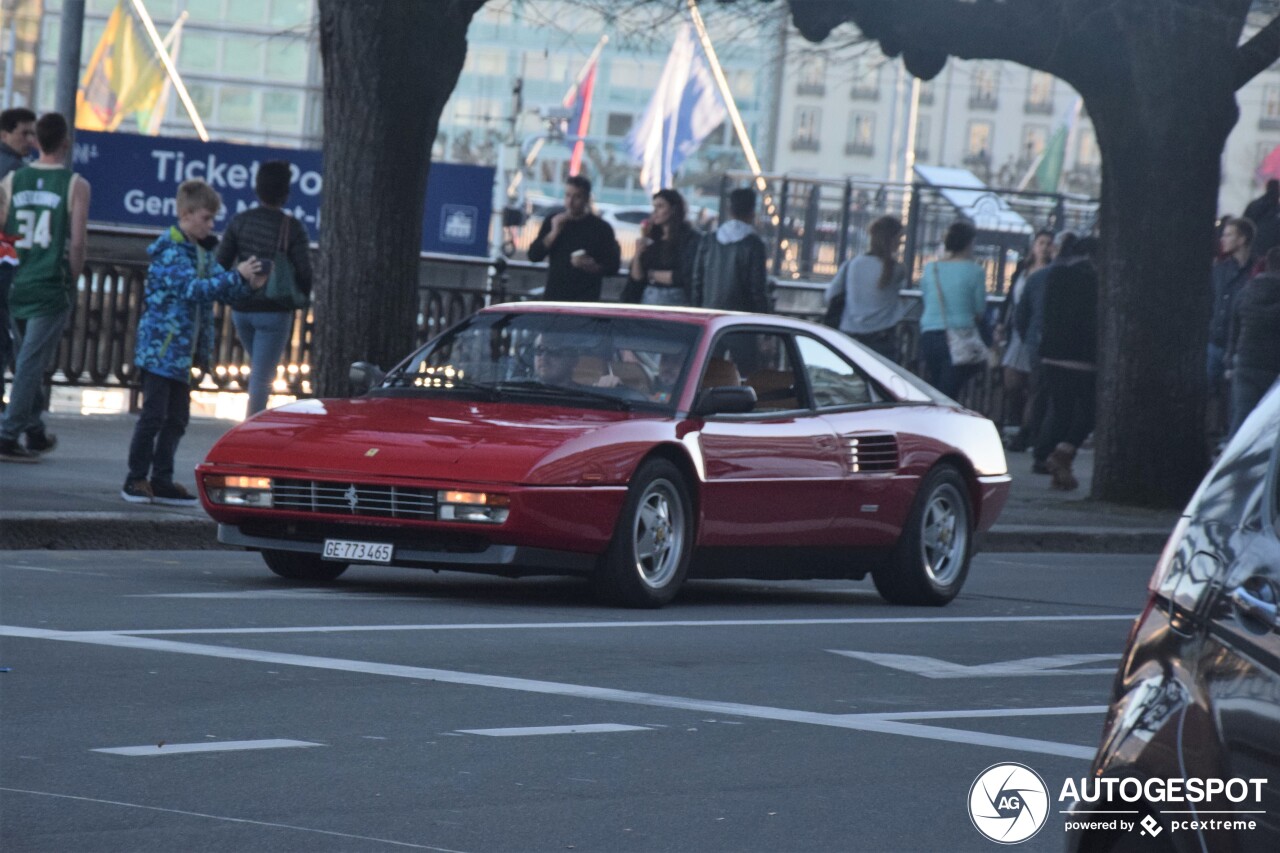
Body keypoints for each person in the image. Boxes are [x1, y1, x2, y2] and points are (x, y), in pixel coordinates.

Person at [122, 180, 266, 504]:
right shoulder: (171, 251)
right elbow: (193, 290)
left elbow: (220, 287)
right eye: (206, 218)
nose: (211, 225)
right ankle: (135, 479)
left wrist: (249, 284)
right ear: (186, 214)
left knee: (176, 418)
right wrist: (237, 276)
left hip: (182, 354)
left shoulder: (200, 252)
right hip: (161, 350)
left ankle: (161, 479)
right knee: (153, 416)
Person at [0, 113, 89, 463]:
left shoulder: (12, 180)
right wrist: (74, 276)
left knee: (27, 358)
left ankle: (34, 429)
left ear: (37, 141)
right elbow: (78, 241)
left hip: (18, 280)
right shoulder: (75, 184)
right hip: (51, 283)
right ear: (66, 141)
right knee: (30, 363)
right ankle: (8, 433)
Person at [216, 160, 313, 416]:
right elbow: (305, 271)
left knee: (259, 369)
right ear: (286, 193)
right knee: (261, 377)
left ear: (257, 189)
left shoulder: (240, 221)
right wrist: (301, 297)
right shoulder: (291, 227)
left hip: (241, 310)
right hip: (274, 311)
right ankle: (250, 427)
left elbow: (220, 263)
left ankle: (251, 423)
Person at [1034, 236, 1100, 491]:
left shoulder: (1055, 274)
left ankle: (1057, 464)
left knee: (1061, 410)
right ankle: (1063, 453)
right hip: (1082, 356)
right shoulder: (1094, 278)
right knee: (1090, 411)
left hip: (1052, 353)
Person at [995, 228, 1053, 448]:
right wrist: (1001, 322)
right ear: (1034, 245)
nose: (1044, 247)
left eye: (1049, 243)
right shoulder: (1023, 268)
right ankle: (1016, 421)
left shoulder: (1051, 272)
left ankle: (1025, 430)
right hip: (1016, 330)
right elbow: (1010, 297)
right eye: (1041, 243)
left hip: (1034, 331)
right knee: (1011, 381)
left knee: (1034, 384)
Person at [917, 220, 987, 400]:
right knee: (949, 391)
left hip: (929, 333)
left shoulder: (931, 268)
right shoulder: (975, 271)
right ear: (970, 243)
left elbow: (925, 297)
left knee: (936, 383)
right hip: (960, 335)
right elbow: (979, 310)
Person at [823, 215, 908, 360]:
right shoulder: (897, 269)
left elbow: (830, 295)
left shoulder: (852, 265)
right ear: (893, 239)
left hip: (850, 335)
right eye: (900, 238)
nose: (901, 243)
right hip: (883, 337)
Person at [525, 176, 621, 302]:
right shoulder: (553, 221)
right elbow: (534, 255)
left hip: (585, 299)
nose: (570, 202)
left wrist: (592, 266)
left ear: (586, 199)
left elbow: (613, 266)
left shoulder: (601, 228)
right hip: (555, 297)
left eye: (577, 197)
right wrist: (554, 233)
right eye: (567, 195)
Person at [0, 107, 37, 413]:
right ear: (5, 134)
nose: (30, 139)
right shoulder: (14, 171)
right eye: (24, 132)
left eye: (33, 133)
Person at [1207, 216, 1254, 441]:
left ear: (1242, 239)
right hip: (1215, 341)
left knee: (1233, 402)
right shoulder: (1220, 270)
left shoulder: (1254, 272)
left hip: (1234, 344)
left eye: (1228, 235)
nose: (1223, 239)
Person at [1226, 245, 1280, 436]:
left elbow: (1234, 329)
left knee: (1242, 417)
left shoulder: (1246, 292)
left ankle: (1233, 459)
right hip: (1274, 369)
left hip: (1246, 363)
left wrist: (1230, 360)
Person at [691, 187, 769, 313]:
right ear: (752, 211)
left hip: (709, 311)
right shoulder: (754, 244)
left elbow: (697, 281)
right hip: (741, 315)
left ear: (729, 210)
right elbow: (757, 288)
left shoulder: (709, 240)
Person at [623, 188, 699, 306]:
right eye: (654, 207)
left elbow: (683, 276)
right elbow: (637, 277)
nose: (655, 212)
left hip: (677, 300)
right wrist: (638, 253)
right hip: (648, 299)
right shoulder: (652, 238)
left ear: (673, 209)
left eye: (660, 206)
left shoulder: (689, 238)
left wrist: (651, 275)